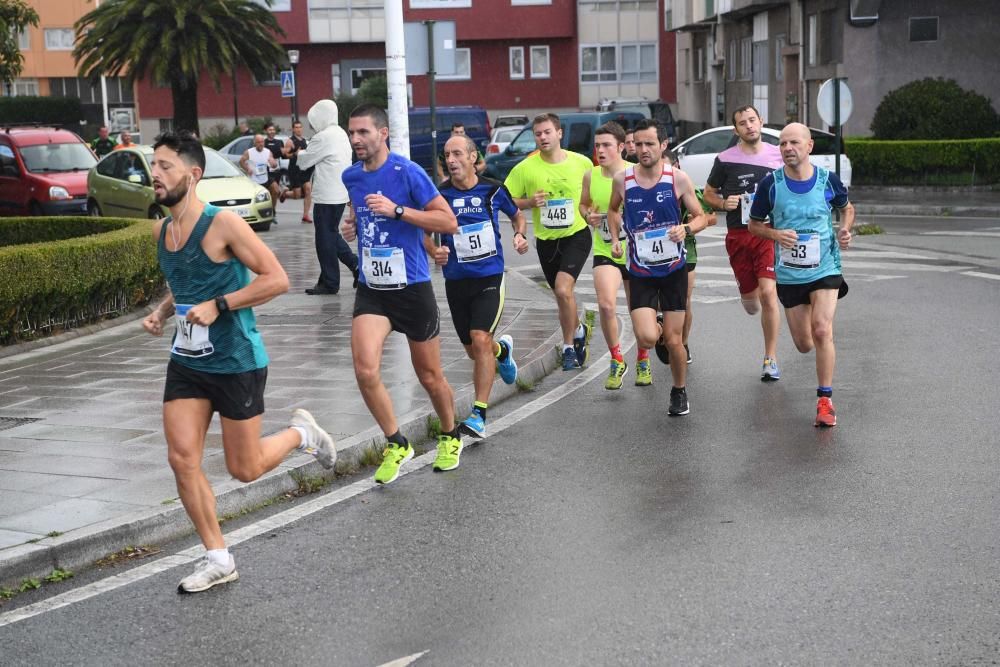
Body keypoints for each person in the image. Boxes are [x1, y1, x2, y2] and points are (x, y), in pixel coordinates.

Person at [142, 131, 335, 593]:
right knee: (182, 457)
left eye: (165, 166)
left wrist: (222, 304)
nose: (155, 173)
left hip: (235, 359)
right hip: (188, 360)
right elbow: (187, 281)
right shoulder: (164, 231)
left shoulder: (223, 223)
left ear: (193, 175)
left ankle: (301, 434)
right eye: (154, 165)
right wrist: (164, 311)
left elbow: (277, 279)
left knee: (244, 469)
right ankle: (218, 556)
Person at [339, 104, 463, 482]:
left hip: (411, 287)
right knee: (364, 368)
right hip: (373, 290)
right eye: (352, 133)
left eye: (363, 132)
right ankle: (396, 442)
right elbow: (358, 206)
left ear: (383, 133)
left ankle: (450, 434)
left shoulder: (408, 173)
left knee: (429, 375)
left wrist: (398, 211)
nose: (356, 139)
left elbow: (448, 221)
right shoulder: (351, 176)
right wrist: (352, 223)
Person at [748, 123, 854, 427]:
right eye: (782, 144)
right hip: (792, 274)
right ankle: (821, 341)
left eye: (794, 142)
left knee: (822, 329)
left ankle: (825, 401)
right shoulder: (770, 185)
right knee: (805, 343)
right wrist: (776, 234)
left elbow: (847, 209)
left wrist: (845, 230)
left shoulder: (827, 181)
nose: (787, 148)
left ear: (809, 147)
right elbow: (754, 225)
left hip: (826, 267)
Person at [425, 134, 528, 442]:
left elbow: (517, 215)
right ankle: (503, 351)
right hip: (457, 282)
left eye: (457, 153)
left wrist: (519, 235)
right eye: (447, 155)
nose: (451, 160)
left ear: (472, 157)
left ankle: (479, 414)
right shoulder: (438, 196)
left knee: (479, 338)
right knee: (475, 351)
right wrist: (434, 251)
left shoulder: (493, 189)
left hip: (489, 278)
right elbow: (423, 231)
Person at [607, 119, 709, 416]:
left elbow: (701, 216)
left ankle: (679, 391)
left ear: (663, 145)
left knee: (675, 342)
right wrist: (615, 238)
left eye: (650, 144)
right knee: (648, 338)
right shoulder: (622, 180)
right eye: (637, 144)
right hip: (640, 271)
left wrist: (687, 229)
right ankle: (660, 326)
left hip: (673, 270)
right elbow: (613, 209)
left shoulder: (677, 179)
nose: (643, 149)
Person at [504, 113, 594, 371]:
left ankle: (567, 348)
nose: (542, 137)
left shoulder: (582, 163)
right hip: (546, 240)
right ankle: (578, 329)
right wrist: (529, 202)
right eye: (538, 134)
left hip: (576, 235)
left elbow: (593, 196)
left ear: (559, 133)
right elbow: (505, 200)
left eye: (547, 132)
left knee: (564, 290)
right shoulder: (525, 168)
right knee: (561, 296)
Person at [703, 105, 784, 381]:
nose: (749, 126)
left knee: (769, 294)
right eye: (742, 123)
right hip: (738, 235)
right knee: (752, 303)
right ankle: (747, 296)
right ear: (736, 130)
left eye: (752, 120)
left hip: (767, 233)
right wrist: (724, 203)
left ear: (761, 121)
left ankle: (770, 357)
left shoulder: (778, 156)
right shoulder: (725, 160)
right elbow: (708, 194)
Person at [578, 121, 653, 389]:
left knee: (637, 310)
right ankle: (617, 359)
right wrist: (588, 215)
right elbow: (583, 205)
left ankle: (643, 358)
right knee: (607, 305)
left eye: (606, 145)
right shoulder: (591, 175)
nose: (600, 150)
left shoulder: (637, 173)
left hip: (635, 252)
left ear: (621, 147)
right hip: (606, 249)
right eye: (597, 145)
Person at [655, 151, 716, 366]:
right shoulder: (647, 188)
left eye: (667, 168)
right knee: (660, 304)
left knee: (684, 302)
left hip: (685, 252)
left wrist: (692, 224)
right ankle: (662, 325)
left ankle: (683, 342)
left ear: (676, 165)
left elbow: (710, 216)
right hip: (654, 255)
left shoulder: (685, 186)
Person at [295, 100, 358, 295]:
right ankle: (356, 266)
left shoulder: (323, 137)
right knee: (330, 234)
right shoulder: (340, 133)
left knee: (324, 239)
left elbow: (304, 162)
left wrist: (299, 152)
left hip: (327, 196)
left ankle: (330, 282)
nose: (313, 125)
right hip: (339, 193)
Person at [283, 120, 315, 223]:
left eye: (300, 127)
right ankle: (285, 194)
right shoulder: (290, 141)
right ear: (293, 129)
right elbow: (285, 155)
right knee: (297, 195)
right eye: (296, 127)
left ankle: (305, 215)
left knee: (308, 189)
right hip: (294, 170)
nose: (298, 129)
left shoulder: (304, 141)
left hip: (304, 170)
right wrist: (294, 154)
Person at [240, 134, 278, 199]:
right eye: (258, 142)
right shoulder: (249, 152)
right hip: (254, 180)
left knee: (275, 190)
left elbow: (274, 165)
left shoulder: (268, 152)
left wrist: (273, 163)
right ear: (254, 143)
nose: (261, 144)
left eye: (262, 142)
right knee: (258, 198)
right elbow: (241, 161)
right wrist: (247, 169)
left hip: (265, 178)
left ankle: (273, 209)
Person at [263, 122, 287, 207]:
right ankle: (280, 194)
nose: (272, 131)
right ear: (265, 131)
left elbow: (284, 156)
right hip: (266, 171)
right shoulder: (263, 143)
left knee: (273, 193)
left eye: (273, 130)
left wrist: (285, 152)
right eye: (270, 130)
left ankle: (272, 211)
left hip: (277, 170)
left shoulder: (279, 142)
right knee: (274, 190)